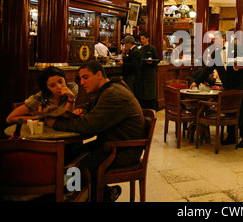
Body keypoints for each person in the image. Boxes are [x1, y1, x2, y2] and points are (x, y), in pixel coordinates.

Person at [46, 60, 146, 202]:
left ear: (99, 75)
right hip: (111, 144)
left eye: (85, 77)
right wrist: (83, 110)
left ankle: (83, 196)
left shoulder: (113, 94)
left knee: (78, 164)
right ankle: (83, 194)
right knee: (70, 154)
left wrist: (55, 123)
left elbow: (88, 126)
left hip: (123, 150)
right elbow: (89, 106)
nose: (81, 83)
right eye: (80, 78)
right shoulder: (107, 90)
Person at [189, 30, 243, 148]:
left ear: (224, 38)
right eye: (213, 40)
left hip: (241, 84)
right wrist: (196, 82)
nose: (214, 42)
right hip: (228, 86)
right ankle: (231, 137)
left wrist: (240, 66)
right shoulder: (215, 54)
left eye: (216, 39)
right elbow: (207, 70)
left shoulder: (236, 47)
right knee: (229, 110)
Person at [6, 66, 78, 124]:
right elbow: (10, 118)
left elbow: (66, 119)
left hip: (63, 129)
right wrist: (35, 118)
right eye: (52, 85)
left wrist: (71, 98)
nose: (59, 86)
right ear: (47, 88)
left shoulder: (71, 88)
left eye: (60, 81)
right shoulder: (41, 96)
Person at [136, 33, 159, 110]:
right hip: (142, 73)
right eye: (141, 39)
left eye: (143, 39)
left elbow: (157, 60)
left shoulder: (152, 48)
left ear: (147, 39)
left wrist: (152, 62)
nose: (142, 40)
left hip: (150, 72)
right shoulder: (140, 49)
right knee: (142, 91)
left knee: (150, 92)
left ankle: (151, 109)